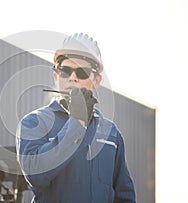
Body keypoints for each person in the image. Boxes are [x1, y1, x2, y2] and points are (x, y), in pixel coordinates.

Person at [16, 33, 136, 202]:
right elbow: (36, 175)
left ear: (96, 80)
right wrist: (77, 122)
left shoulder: (111, 134)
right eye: (65, 71)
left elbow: (125, 196)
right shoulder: (34, 123)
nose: (73, 77)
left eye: (82, 72)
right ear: (56, 76)